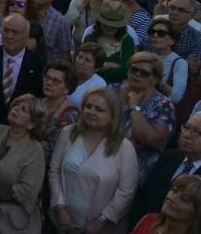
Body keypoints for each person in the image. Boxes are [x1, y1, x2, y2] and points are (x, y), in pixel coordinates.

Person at [131, 111, 201, 234]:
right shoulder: (170, 157)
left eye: (197, 132)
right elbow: (143, 198)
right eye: (186, 128)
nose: (187, 135)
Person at [49, 87, 138, 233]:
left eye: (99, 109)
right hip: (62, 221)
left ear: (113, 115)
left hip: (98, 227)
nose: (91, 112)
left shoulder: (124, 147)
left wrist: (101, 221)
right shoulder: (68, 133)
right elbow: (54, 171)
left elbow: (126, 192)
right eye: (88, 106)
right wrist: (60, 207)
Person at [0, 94, 46, 234]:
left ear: (31, 124)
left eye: (23, 109)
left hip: (11, 219)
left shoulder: (35, 150)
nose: (15, 109)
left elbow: (27, 190)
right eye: (15, 105)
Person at [0, 13, 44, 131]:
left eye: (15, 32)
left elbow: (39, 98)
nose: (9, 36)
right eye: (6, 30)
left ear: (26, 37)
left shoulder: (37, 63)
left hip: (21, 132)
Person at [112, 52, 175, 184]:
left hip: (135, 173)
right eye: (134, 70)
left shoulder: (163, 105)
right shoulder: (113, 90)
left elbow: (151, 140)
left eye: (145, 73)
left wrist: (135, 108)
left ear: (156, 79)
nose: (137, 75)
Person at [131, 173, 201, 234]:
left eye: (184, 199)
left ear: (199, 214)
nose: (172, 198)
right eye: (174, 191)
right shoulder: (149, 219)